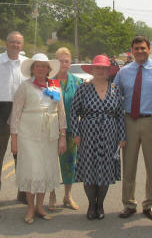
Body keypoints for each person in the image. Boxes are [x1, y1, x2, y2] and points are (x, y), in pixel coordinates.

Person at [114, 36, 152, 220]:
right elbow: (114, 95)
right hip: (129, 121)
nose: (140, 51)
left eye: (143, 48)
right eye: (136, 48)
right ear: (132, 50)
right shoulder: (124, 72)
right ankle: (128, 203)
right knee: (128, 166)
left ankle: (150, 204)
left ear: (149, 49)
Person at [10, 53, 67, 224]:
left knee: (45, 169)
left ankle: (40, 207)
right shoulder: (25, 86)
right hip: (28, 135)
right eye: (38, 66)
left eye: (44, 66)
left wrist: (62, 136)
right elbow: (16, 114)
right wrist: (14, 139)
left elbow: (61, 112)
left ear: (49, 69)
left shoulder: (55, 86)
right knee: (32, 169)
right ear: (33, 69)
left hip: (49, 135)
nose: (41, 69)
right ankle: (30, 207)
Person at [70, 55, 125, 220]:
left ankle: (100, 204)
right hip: (88, 136)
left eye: (104, 68)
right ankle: (91, 205)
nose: (101, 71)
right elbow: (74, 111)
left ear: (109, 71)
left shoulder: (115, 89)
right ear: (92, 70)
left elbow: (120, 115)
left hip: (110, 136)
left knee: (105, 172)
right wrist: (76, 133)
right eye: (97, 68)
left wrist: (122, 136)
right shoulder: (83, 88)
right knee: (89, 171)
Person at [48, 47, 82, 211]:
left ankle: (68, 196)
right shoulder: (51, 81)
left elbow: (83, 107)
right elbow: (53, 106)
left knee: (70, 163)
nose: (63, 64)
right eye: (60, 60)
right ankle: (52, 194)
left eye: (66, 61)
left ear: (70, 63)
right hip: (53, 129)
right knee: (53, 162)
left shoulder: (77, 82)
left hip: (72, 130)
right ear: (56, 62)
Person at [0, 31, 27, 203]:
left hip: (22, 110)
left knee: (23, 155)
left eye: (18, 43)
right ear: (6, 43)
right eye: (12, 42)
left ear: (22, 45)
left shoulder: (27, 63)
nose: (15, 45)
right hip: (1, 108)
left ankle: (23, 193)